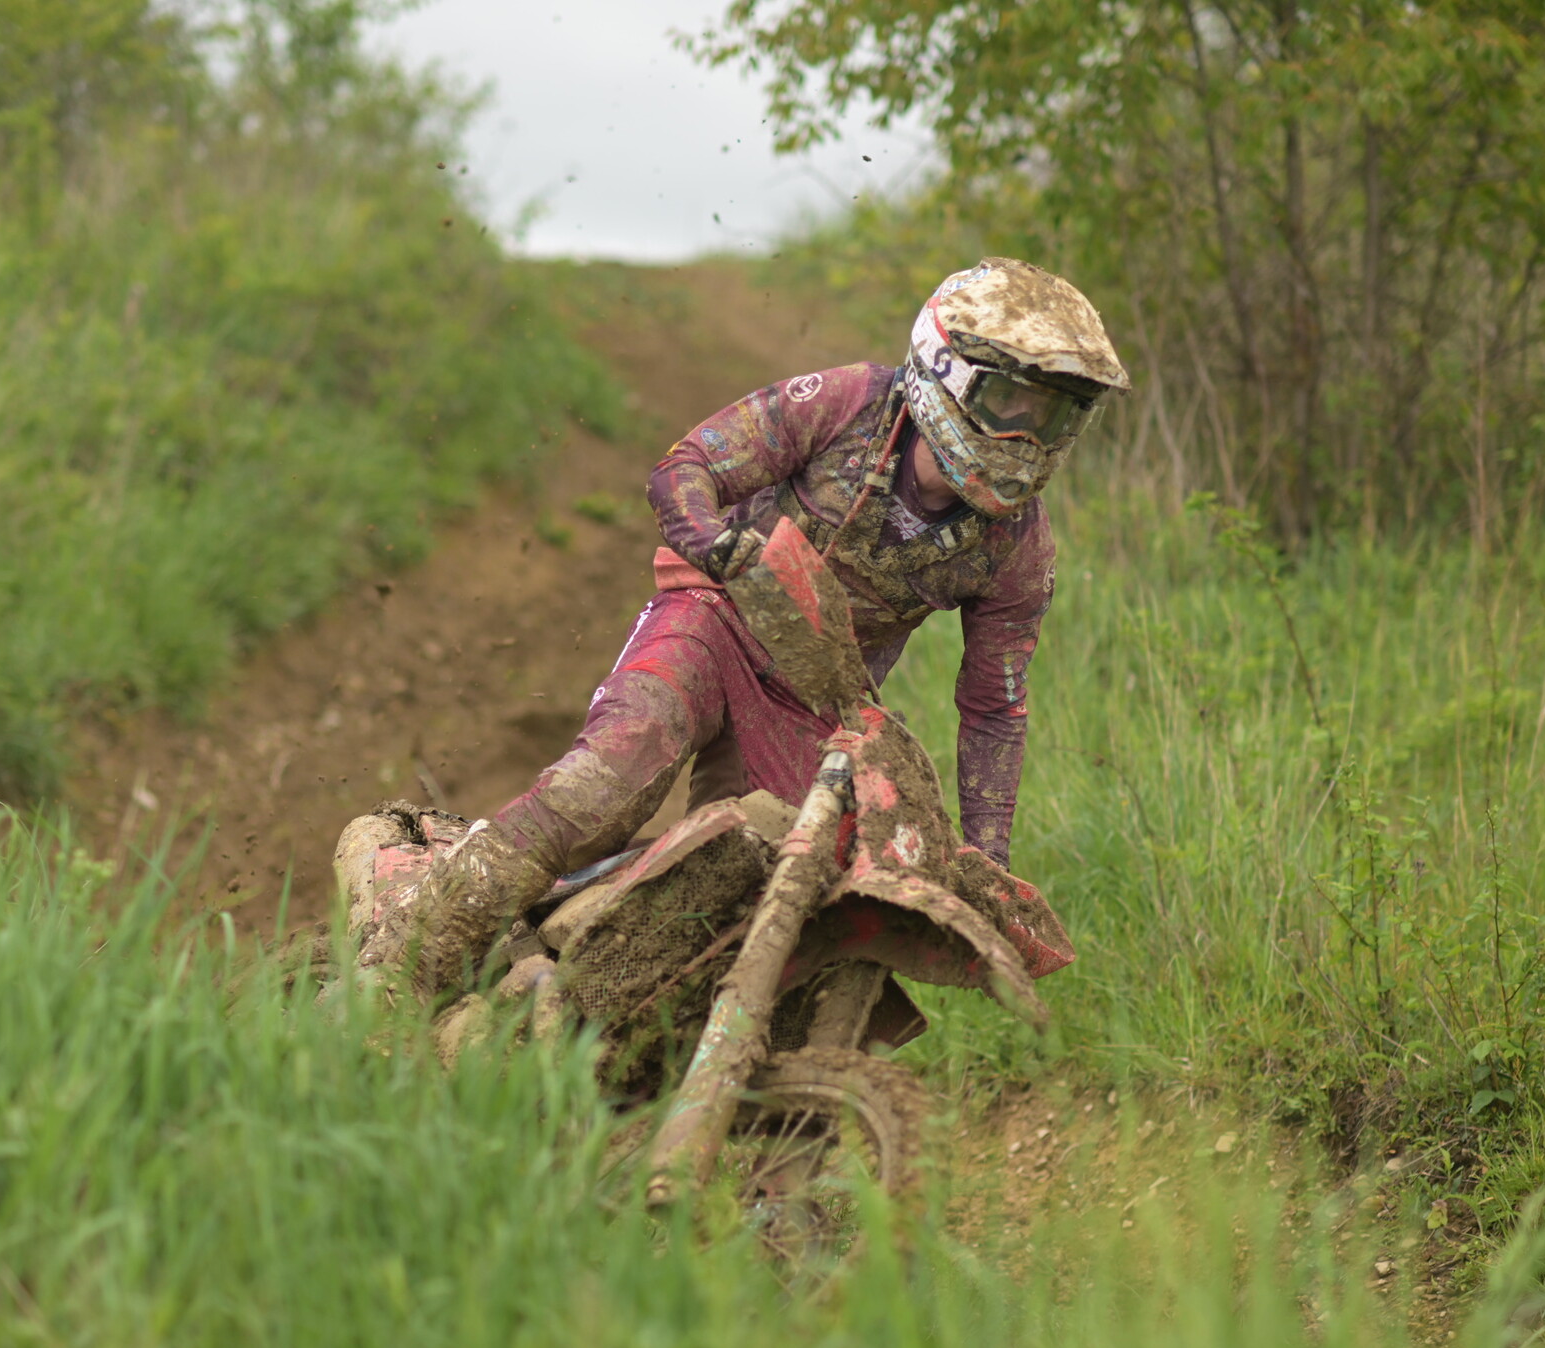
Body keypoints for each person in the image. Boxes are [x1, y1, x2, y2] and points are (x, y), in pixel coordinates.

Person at [397, 256, 1129, 994]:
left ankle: (599, 1013)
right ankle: (403, 958)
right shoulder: (847, 404)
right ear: (948, 370)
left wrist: (987, 858)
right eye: (1013, 406)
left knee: (763, 887)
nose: (1028, 441)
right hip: (712, 617)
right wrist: (713, 542)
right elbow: (686, 465)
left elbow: (994, 709)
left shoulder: (1017, 548)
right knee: (609, 779)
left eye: (1054, 418)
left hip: (815, 699)